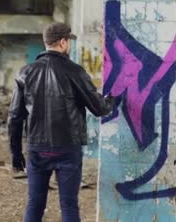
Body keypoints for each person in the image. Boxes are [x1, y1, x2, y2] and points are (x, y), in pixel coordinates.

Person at [8, 22, 115, 222]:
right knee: (68, 204)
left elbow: (15, 116)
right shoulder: (75, 71)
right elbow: (100, 108)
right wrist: (113, 97)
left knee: (35, 203)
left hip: (37, 149)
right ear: (64, 42)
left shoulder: (25, 72)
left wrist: (15, 153)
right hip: (68, 148)